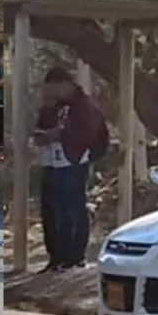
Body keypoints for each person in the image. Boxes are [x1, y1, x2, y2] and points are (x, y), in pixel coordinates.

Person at [35, 67, 108, 269]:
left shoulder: (83, 105)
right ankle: (56, 256)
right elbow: (43, 124)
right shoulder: (53, 105)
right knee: (51, 209)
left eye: (54, 89)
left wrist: (61, 135)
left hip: (74, 161)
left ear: (64, 85)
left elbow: (88, 133)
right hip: (52, 161)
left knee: (72, 207)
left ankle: (75, 256)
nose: (52, 94)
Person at [34, 97, 61, 273]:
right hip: (47, 168)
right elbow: (38, 139)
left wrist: (54, 134)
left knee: (63, 214)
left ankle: (65, 258)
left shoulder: (65, 115)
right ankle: (54, 258)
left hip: (63, 168)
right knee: (49, 216)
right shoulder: (43, 115)